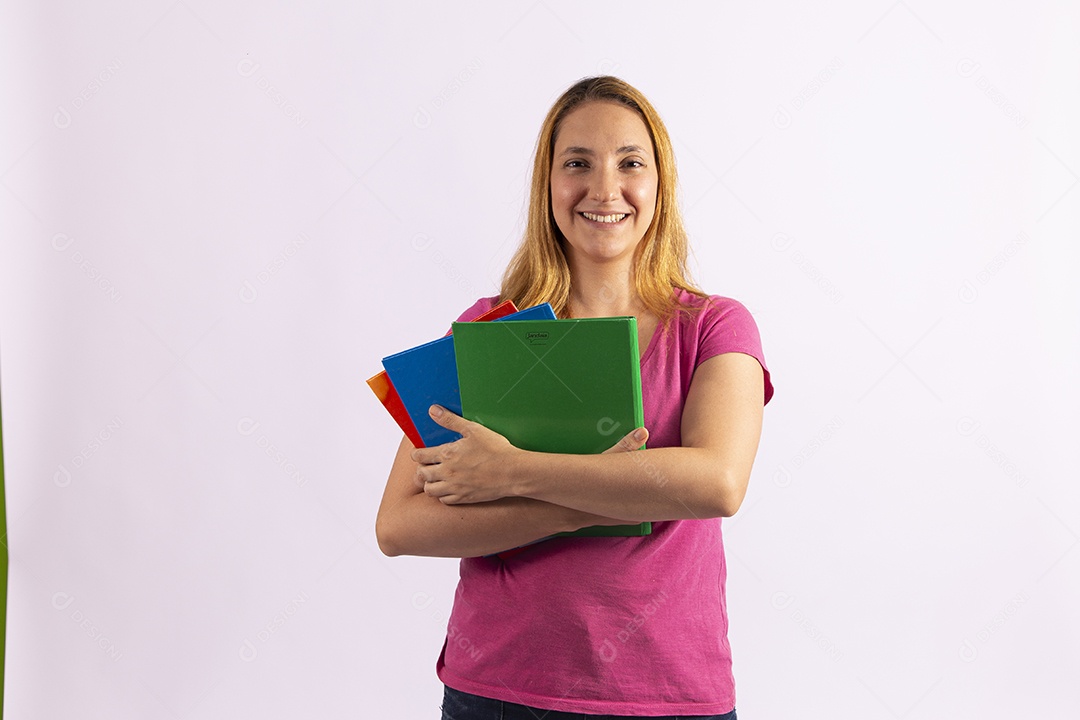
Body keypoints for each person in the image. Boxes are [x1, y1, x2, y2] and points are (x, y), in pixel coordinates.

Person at [376, 75, 774, 720]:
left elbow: (717, 482)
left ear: (659, 185)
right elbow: (399, 524)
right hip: (499, 691)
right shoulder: (488, 329)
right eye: (577, 164)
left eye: (630, 164)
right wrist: (593, 502)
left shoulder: (715, 326)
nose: (604, 189)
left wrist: (516, 475)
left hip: (667, 694)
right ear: (549, 186)